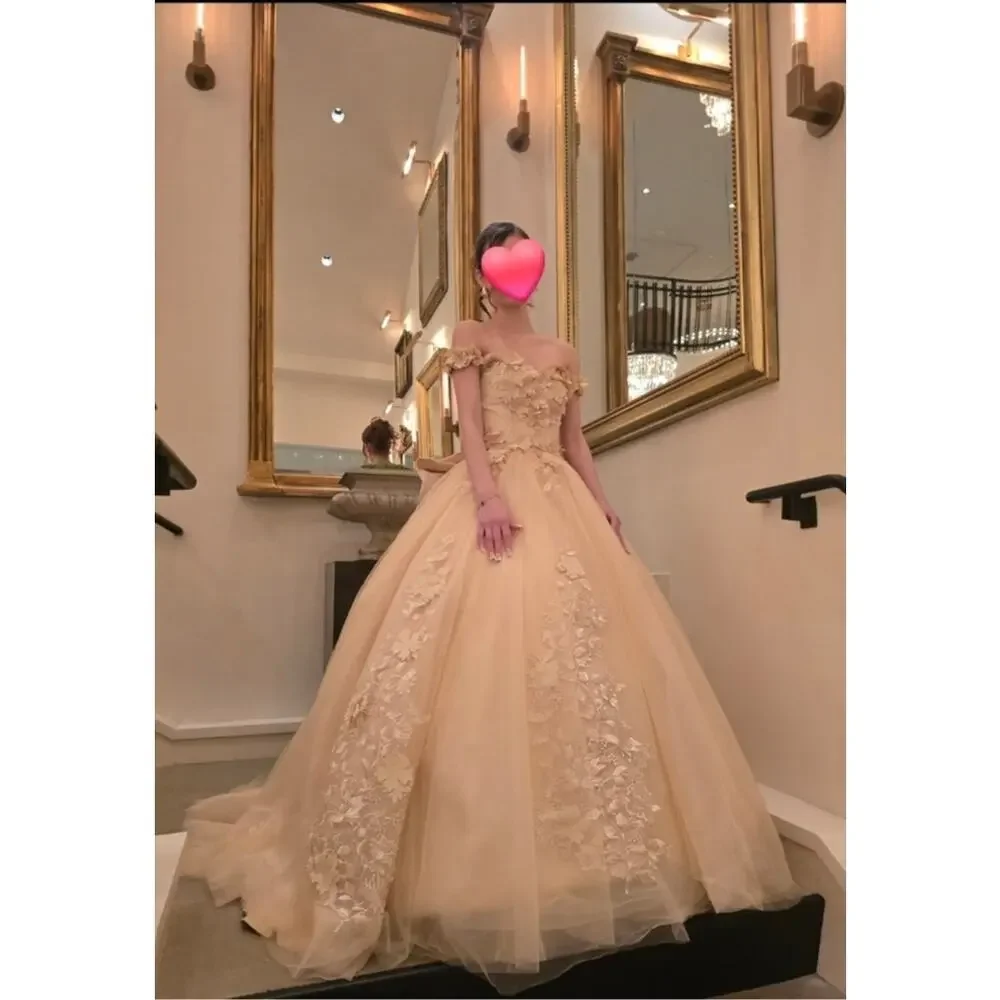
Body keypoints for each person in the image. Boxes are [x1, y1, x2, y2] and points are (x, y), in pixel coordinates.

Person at [181, 221, 799, 990]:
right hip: (492, 494)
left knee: (584, 661)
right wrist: (485, 497)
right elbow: (469, 423)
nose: (516, 273)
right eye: (502, 261)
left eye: (526, 259)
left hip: (560, 499)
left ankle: (595, 860)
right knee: (462, 653)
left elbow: (576, 442)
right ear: (483, 275)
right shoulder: (470, 337)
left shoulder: (563, 353)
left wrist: (603, 504)